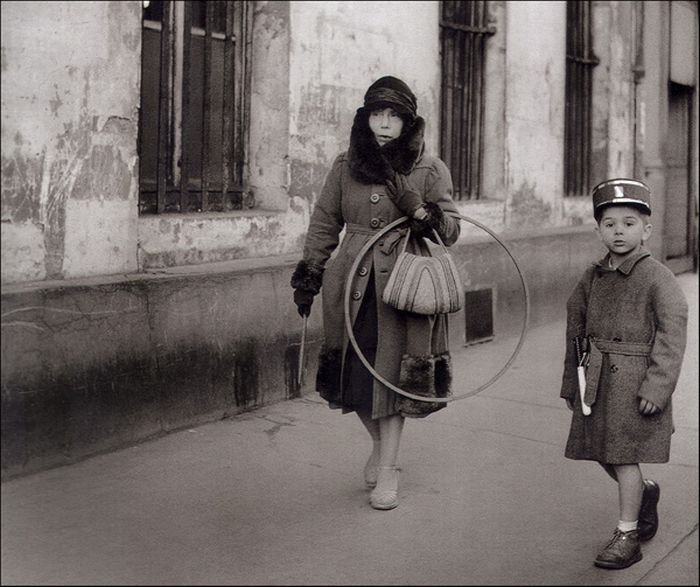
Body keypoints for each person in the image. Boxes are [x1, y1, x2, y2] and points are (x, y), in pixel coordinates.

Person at [290, 75, 461, 510]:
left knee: (391, 379)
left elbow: (453, 229)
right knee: (355, 378)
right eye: (376, 115)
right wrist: (310, 274)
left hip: (403, 287)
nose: (384, 124)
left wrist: (422, 214)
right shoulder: (344, 164)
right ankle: (379, 447)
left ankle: (389, 468)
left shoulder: (429, 168)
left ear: (408, 122)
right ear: (365, 118)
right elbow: (325, 222)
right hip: (349, 282)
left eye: (394, 116)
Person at [560, 178, 688, 569]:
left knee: (624, 456)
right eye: (610, 223)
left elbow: (672, 331)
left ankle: (627, 534)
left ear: (646, 230)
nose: (619, 231)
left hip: (635, 384)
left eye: (629, 222)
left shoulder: (657, 277)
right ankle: (645, 493)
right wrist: (572, 381)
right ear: (599, 229)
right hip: (596, 380)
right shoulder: (592, 276)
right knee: (602, 451)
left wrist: (658, 385)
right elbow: (575, 329)